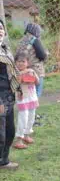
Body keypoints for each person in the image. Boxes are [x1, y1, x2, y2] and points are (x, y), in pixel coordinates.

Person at [0, 19, 22, 169]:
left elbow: (12, 71)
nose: (0, 30)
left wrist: (18, 88)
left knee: (10, 131)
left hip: (9, 95)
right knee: (0, 133)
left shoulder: (5, 49)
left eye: (1, 28)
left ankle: (4, 160)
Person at [16, 23, 47, 125]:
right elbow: (42, 55)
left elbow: (17, 56)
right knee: (35, 95)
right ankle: (31, 118)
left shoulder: (21, 40)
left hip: (23, 71)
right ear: (36, 31)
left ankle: (29, 116)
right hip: (35, 72)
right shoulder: (35, 40)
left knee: (27, 95)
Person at [13, 53, 40, 149]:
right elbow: (16, 82)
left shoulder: (31, 71)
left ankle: (26, 135)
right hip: (22, 99)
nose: (21, 63)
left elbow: (37, 82)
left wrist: (33, 74)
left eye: (23, 61)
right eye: (19, 61)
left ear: (27, 63)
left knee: (31, 118)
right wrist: (24, 73)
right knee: (23, 119)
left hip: (32, 97)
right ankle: (19, 140)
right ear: (15, 63)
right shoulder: (15, 72)